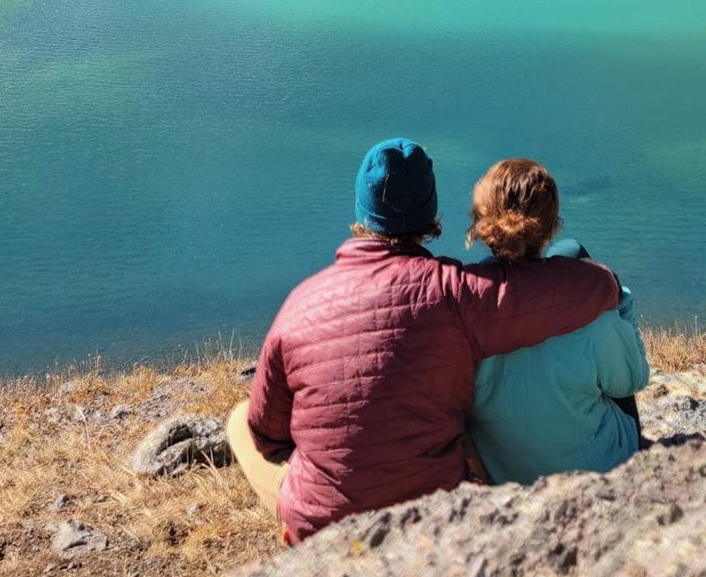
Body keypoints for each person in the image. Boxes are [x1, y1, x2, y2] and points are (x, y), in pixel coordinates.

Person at [225, 138, 621, 542]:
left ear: (362, 211)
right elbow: (580, 288)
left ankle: (298, 520)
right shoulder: (455, 294)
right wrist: (609, 282)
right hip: (427, 515)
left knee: (238, 420)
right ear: (430, 214)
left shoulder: (301, 303)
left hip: (322, 526)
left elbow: (266, 433)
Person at [467, 158, 648, 485]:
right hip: (597, 470)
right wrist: (621, 304)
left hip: (504, 477)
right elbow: (631, 380)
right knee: (572, 252)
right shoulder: (587, 303)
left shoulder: (462, 305)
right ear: (551, 226)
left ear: (482, 223)